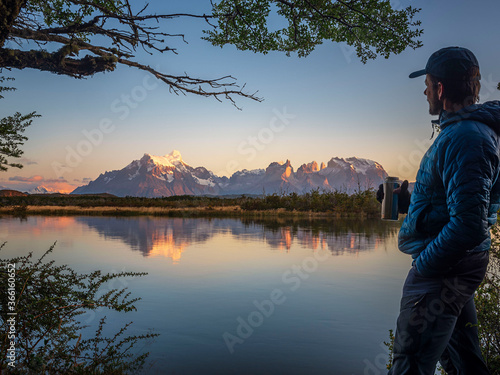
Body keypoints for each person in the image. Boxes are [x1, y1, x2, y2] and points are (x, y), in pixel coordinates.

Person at [389, 46, 500, 374]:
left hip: (442, 271)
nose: (424, 91)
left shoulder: (467, 137)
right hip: (455, 266)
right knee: (463, 363)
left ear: (439, 88)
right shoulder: (468, 132)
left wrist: (424, 268)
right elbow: (462, 203)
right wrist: (412, 204)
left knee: (409, 365)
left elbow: (468, 224)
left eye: (427, 83)